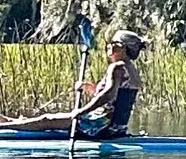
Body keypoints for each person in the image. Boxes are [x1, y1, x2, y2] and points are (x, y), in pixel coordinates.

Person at [1, 33, 145, 141]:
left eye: (113, 43)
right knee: (47, 120)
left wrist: (82, 111)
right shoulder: (130, 69)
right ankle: (10, 122)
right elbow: (116, 98)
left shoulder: (117, 67)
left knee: (48, 119)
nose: (108, 45)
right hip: (114, 126)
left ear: (122, 48)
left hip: (98, 126)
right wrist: (90, 88)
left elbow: (109, 95)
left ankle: (3, 127)